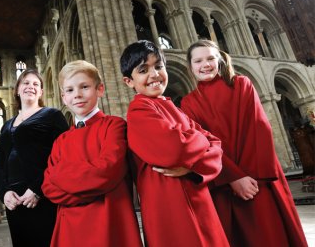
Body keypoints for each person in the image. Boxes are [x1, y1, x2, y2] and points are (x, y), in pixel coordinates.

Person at [180, 39, 308, 246]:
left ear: (220, 60)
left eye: (211, 58)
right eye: (198, 61)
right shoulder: (188, 102)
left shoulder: (241, 84)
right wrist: (233, 178)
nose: (205, 64)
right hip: (226, 182)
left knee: (270, 234)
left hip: (258, 178)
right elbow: (203, 144)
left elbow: (258, 129)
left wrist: (246, 177)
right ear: (190, 66)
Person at [119, 40, 229, 247]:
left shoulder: (175, 109)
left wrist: (192, 167)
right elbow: (174, 150)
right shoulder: (139, 110)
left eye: (159, 66)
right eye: (143, 70)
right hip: (169, 204)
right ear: (129, 81)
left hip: (197, 195)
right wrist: (199, 139)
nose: (154, 75)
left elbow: (217, 145)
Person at [41, 60, 143, 247]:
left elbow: (107, 172)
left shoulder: (115, 125)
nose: (78, 95)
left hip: (109, 222)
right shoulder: (60, 141)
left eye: (85, 87)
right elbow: (48, 187)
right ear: (63, 97)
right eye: (70, 90)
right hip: (70, 230)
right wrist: (95, 191)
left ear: (100, 89)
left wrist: (67, 183)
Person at [0, 68, 69, 247]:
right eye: (26, 83)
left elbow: (63, 157)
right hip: (15, 204)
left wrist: (37, 190)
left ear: (41, 91)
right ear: (17, 89)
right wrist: (4, 193)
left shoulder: (53, 116)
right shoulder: (6, 126)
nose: (31, 87)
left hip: (43, 198)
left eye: (36, 84)